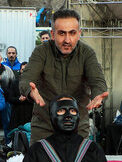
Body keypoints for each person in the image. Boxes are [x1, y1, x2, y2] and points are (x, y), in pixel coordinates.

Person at [19, 9, 108, 142]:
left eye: (72, 33)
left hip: (77, 125)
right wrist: (30, 91)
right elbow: (26, 79)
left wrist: (98, 94)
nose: (67, 40)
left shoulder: (87, 53)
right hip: (44, 125)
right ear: (53, 34)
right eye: (62, 33)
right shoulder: (41, 52)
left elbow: (97, 80)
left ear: (79, 34)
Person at [0, 49, 17, 142]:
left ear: (1, 58)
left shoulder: (8, 70)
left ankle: (8, 142)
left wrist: (9, 97)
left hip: (6, 100)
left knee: (7, 123)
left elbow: (13, 85)